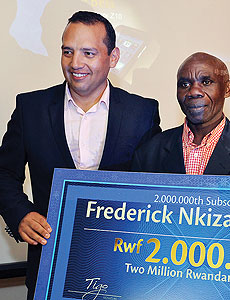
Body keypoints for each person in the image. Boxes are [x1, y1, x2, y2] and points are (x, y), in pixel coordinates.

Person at [0, 11, 161, 300]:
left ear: (113, 57)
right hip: (49, 267)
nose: (75, 64)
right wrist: (21, 215)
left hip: (123, 271)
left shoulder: (142, 113)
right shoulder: (30, 108)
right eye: (67, 52)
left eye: (88, 53)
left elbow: (155, 186)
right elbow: (3, 173)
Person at [132, 52, 230, 177]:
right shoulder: (148, 154)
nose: (194, 92)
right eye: (185, 84)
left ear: (228, 89)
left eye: (206, 82)